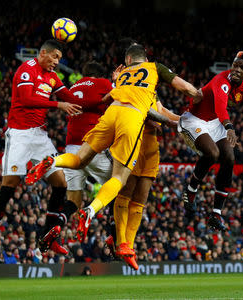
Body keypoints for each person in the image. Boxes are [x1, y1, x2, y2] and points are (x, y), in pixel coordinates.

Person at [26, 44, 201, 257]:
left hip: (79, 140)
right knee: (121, 183)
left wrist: (117, 81)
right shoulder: (129, 76)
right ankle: (106, 227)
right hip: (124, 124)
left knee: (75, 187)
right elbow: (180, 92)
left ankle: (52, 163)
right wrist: (195, 104)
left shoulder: (82, 86)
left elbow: (102, 100)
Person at [0, 39, 84, 264]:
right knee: (10, 184)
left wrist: (97, 94)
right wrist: (58, 106)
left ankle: (47, 237)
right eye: (54, 57)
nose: (57, 62)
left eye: (59, 58)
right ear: (43, 53)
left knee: (61, 183)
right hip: (19, 134)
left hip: (39, 136)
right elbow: (27, 100)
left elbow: (68, 96)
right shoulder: (27, 69)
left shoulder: (52, 76)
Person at [178, 51, 243, 231]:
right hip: (195, 119)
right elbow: (220, 107)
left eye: (242, 67)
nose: (237, 70)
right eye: (235, 65)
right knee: (213, 153)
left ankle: (216, 214)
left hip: (216, 122)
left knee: (229, 158)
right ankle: (191, 191)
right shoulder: (221, 80)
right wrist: (229, 127)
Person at [106, 99, 180, 270]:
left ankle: (128, 247)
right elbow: (143, 113)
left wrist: (186, 119)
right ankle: (120, 242)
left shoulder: (155, 96)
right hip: (134, 144)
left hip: (151, 150)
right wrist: (161, 121)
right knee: (126, 194)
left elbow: (165, 113)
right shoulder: (136, 92)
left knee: (140, 199)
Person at [62, 61, 118, 232]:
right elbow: (121, 96)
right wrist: (116, 81)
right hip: (92, 145)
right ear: (100, 75)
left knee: (73, 201)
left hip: (71, 147)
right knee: (118, 184)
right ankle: (113, 234)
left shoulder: (72, 88)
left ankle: (57, 224)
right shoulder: (102, 83)